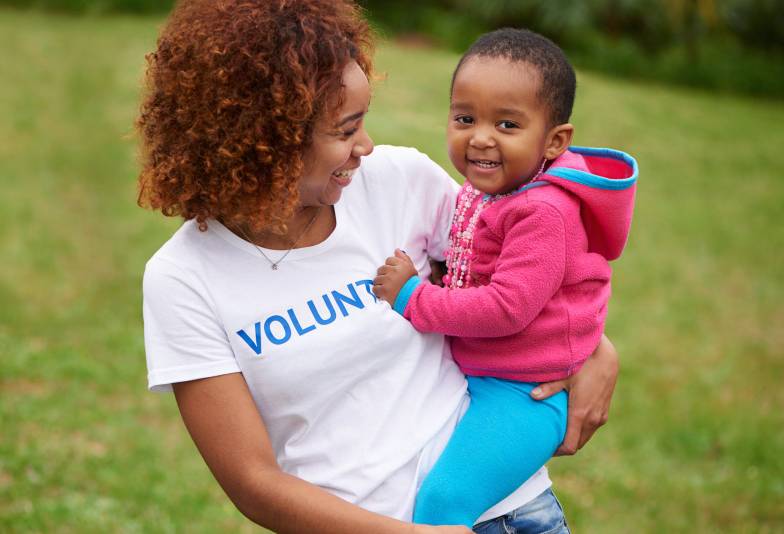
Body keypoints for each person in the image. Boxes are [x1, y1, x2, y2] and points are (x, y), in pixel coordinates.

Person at [137, 2, 620, 533]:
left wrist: (599, 352)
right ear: (266, 141)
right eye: (345, 131)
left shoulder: (400, 180)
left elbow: (528, 278)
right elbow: (254, 481)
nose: (365, 146)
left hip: (512, 514)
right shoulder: (183, 279)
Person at [372, 29, 638, 528]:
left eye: (507, 124)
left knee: (443, 504)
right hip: (483, 374)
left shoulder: (544, 212)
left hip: (523, 393)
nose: (480, 137)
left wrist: (413, 296)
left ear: (555, 141)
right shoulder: (492, 191)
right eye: (464, 118)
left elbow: (505, 308)